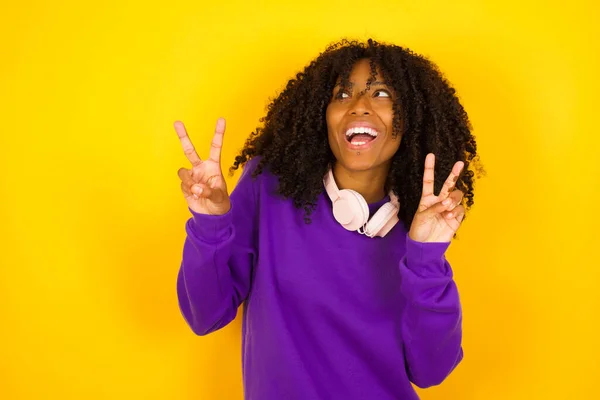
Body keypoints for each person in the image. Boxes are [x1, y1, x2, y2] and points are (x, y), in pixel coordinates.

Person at [174, 38, 480, 400]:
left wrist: (427, 259)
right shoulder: (268, 186)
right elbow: (205, 314)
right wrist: (209, 225)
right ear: (323, 113)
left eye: (381, 94)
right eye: (342, 94)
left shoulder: (417, 227)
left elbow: (431, 371)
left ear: (410, 115)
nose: (359, 107)